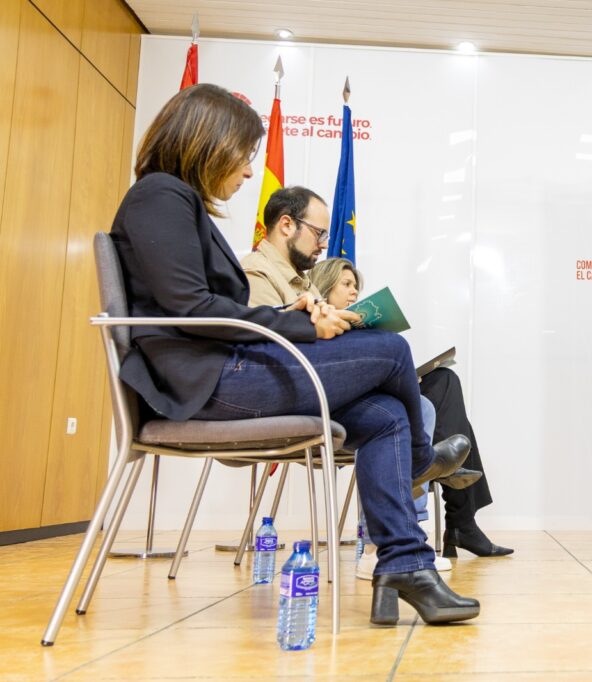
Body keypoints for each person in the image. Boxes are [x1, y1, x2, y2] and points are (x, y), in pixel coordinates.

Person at [109, 83, 479, 625]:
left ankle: (405, 566)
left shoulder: (172, 201)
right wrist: (298, 323)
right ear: (209, 142)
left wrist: (292, 312)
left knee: (385, 415)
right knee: (392, 350)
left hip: (224, 373)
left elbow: (205, 305)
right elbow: (192, 308)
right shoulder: (160, 196)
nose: (247, 171)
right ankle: (422, 465)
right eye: (244, 155)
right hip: (208, 383)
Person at [311, 256, 514, 560]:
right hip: (351, 406)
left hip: (379, 393)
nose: (354, 291)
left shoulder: (357, 329)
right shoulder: (315, 324)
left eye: (356, 287)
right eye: (347, 284)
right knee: (426, 410)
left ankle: (459, 516)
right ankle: (456, 512)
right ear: (325, 287)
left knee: (444, 380)